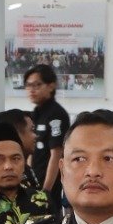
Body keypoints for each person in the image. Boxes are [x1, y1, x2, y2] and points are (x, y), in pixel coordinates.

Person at [24, 62, 70, 198]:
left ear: (51, 86)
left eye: (37, 85)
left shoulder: (56, 114)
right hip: (35, 182)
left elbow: (56, 154)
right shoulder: (35, 113)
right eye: (28, 85)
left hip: (49, 186)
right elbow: (31, 151)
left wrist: (46, 190)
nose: (31, 90)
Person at [0, 107, 41, 188]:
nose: (36, 136)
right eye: (32, 130)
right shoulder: (1, 173)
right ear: (16, 134)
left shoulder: (26, 169)